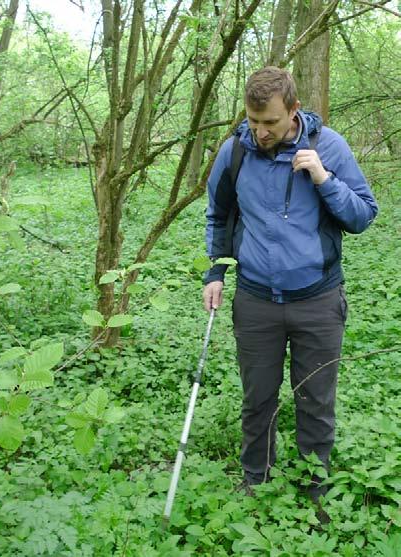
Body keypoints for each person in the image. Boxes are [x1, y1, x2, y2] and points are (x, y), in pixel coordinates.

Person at [202, 67, 378, 504]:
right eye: (253, 121)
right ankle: (256, 481)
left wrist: (323, 178)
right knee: (257, 399)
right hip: (257, 300)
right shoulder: (235, 152)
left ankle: (313, 488)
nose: (260, 132)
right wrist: (216, 272)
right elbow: (219, 215)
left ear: (294, 111)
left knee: (315, 401)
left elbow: (362, 216)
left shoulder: (328, 147)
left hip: (317, 300)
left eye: (271, 123)